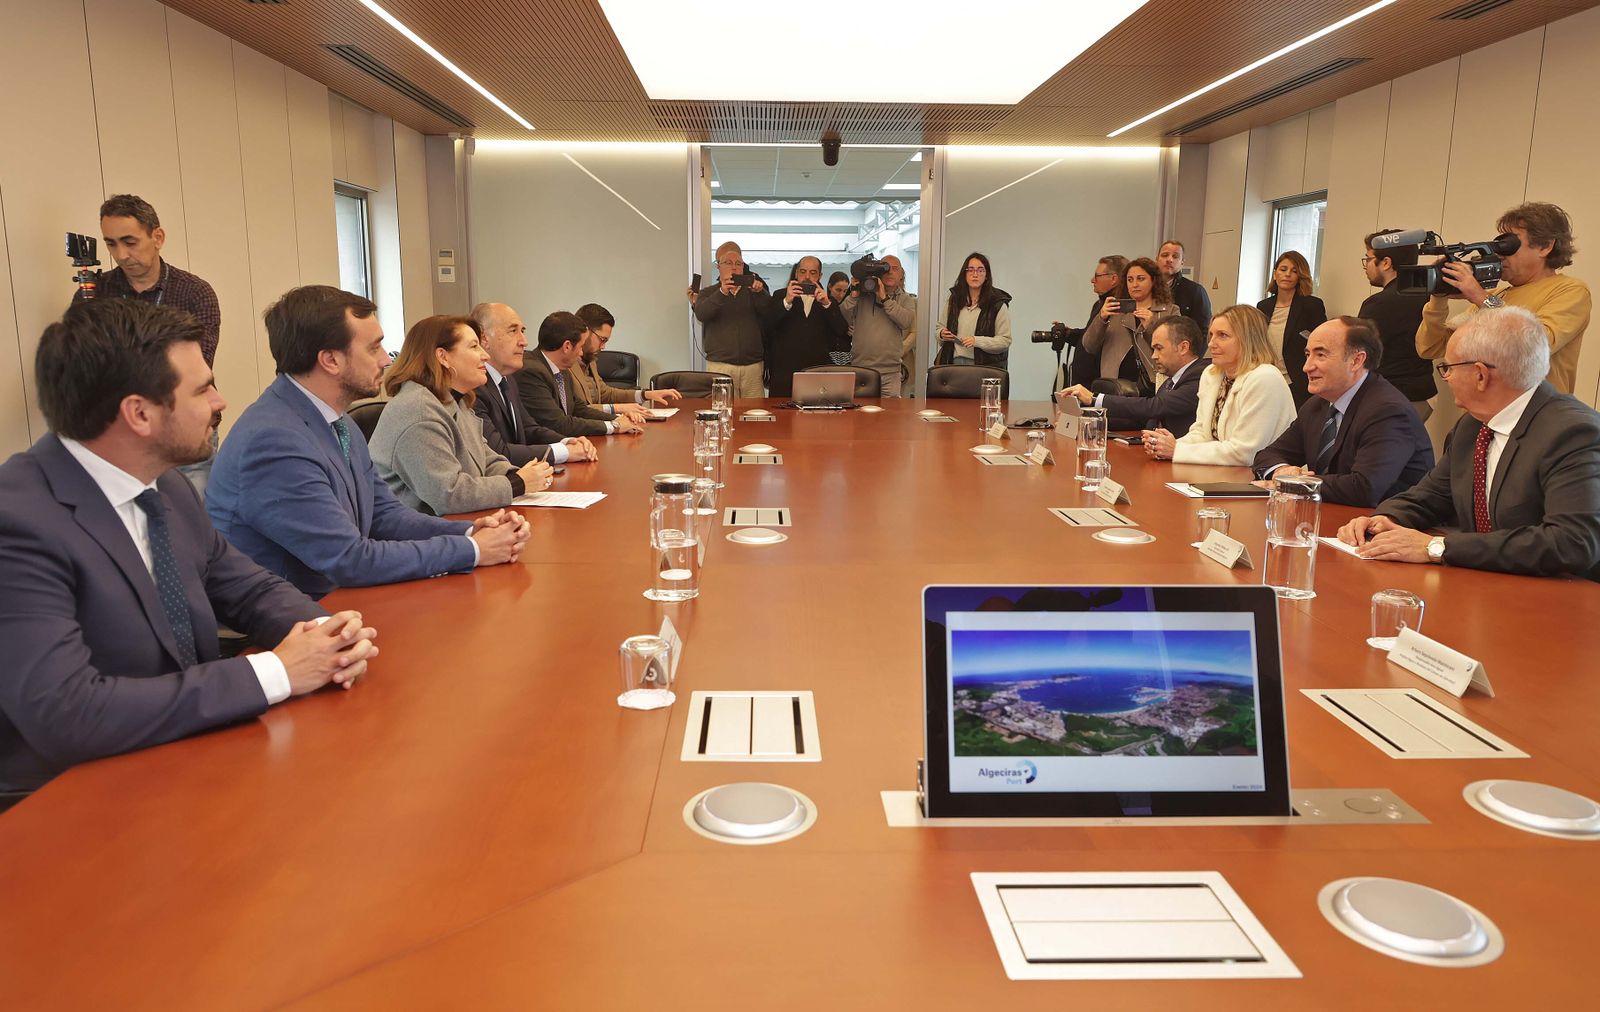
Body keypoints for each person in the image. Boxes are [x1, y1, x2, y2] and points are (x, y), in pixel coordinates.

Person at [0, 300, 378, 798]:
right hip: (68, 798)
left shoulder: (166, 485)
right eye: (202, 389)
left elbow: (249, 589)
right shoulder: (18, 522)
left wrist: (330, 637)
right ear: (139, 413)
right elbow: (68, 712)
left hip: (187, 754)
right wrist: (277, 671)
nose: (221, 401)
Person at [208, 286, 528, 600]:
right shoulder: (274, 441)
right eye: (374, 348)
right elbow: (349, 559)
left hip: (339, 598)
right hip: (295, 614)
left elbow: (384, 516)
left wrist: (471, 530)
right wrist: (471, 550)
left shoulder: (338, 421)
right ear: (331, 360)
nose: (386, 360)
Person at [1340, 306, 1600, 580]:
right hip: (1485, 582)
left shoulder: (1573, 433)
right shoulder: (1472, 425)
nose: (1446, 378)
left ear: (1480, 375)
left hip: (1560, 593)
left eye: (1447, 368)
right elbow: (1431, 496)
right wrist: (1386, 519)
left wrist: (1437, 547)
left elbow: (1572, 542)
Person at [73, 194, 223, 497]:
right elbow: (83, 365)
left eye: (130, 242)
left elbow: (194, 370)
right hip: (121, 432)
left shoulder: (195, 293)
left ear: (158, 237)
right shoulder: (94, 294)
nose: (121, 255)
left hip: (185, 425)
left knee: (193, 511)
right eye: (112, 244)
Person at [369, 316, 553, 516]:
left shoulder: (457, 401)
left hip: (454, 523)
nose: (485, 355)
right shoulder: (418, 411)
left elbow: (487, 460)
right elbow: (448, 495)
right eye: (474, 346)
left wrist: (519, 475)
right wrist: (518, 483)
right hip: (419, 531)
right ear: (443, 357)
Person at [1253, 317, 1434, 507]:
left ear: (1356, 361)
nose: (1307, 367)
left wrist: (1293, 484)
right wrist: (1282, 471)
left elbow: (1365, 488)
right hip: (1332, 515)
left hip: (1383, 520)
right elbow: (1268, 454)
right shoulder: (1317, 405)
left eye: (1320, 355)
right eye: (1307, 355)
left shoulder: (1388, 411)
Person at [1416, 202, 1591, 395]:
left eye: (1509, 244)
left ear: (1545, 246)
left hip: (1537, 410)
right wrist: (1439, 296)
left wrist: (1480, 297)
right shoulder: (1499, 296)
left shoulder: (1570, 290)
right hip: (1485, 409)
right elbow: (1430, 348)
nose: (1499, 253)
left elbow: (1537, 344)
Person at [1142, 304, 1296, 466]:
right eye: (1211, 335)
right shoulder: (1212, 374)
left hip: (1262, 475)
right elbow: (1202, 433)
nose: (1211, 343)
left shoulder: (1265, 377)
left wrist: (1177, 450)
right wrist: (1164, 446)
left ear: (1247, 339)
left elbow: (1245, 453)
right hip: (1224, 472)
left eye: (1222, 335)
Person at [470, 302, 597, 466]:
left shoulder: (508, 379)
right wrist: (564, 452)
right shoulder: (473, 388)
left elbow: (529, 429)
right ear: (484, 339)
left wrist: (567, 442)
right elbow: (498, 452)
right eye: (513, 331)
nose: (524, 341)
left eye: (522, 331)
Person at [1058, 316, 1208, 434]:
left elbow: (1153, 407)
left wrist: (1094, 399)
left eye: (1159, 348)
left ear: (1183, 348)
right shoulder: (1171, 380)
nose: (1154, 356)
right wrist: (1089, 421)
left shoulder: (1200, 377)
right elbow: (1143, 419)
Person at [519, 312, 644, 438]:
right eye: (581, 347)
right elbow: (558, 424)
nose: (581, 353)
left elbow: (579, 409)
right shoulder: (531, 371)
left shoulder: (562, 369)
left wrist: (617, 419)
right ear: (567, 347)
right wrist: (613, 426)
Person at [1359, 228, 1436, 420]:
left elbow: (1359, 352)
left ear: (1386, 263)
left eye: (1368, 259)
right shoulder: (1426, 293)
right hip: (1422, 393)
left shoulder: (1378, 303)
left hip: (1392, 397)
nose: (1366, 266)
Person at [1081, 257, 1176, 392]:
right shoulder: (1114, 309)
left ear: (1153, 280)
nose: (1134, 284)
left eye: (1140, 279)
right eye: (1130, 280)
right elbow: (1089, 346)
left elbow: (1174, 350)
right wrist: (1101, 318)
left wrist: (1151, 327)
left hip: (1153, 385)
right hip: (1116, 387)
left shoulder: (1170, 311)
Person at [572, 303, 680, 417]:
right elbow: (575, 409)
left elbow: (606, 394)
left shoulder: (590, 359)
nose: (603, 347)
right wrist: (618, 408)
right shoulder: (565, 365)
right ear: (585, 332)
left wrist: (646, 395)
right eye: (602, 339)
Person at [763, 256, 848, 398]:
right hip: (784, 372)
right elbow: (767, 325)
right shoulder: (780, 295)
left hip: (816, 371)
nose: (807, 277)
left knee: (815, 410)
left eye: (813, 273)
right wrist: (787, 302)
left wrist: (827, 304)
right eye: (803, 272)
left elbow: (841, 329)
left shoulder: (828, 300)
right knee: (780, 411)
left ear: (820, 275)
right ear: (796, 273)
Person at [692, 241, 769, 397]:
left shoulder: (754, 292)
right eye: (728, 263)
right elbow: (701, 314)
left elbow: (770, 314)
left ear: (743, 268)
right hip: (720, 365)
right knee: (722, 409)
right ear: (718, 267)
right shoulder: (708, 292)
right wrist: (722, 292)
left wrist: (760, 293)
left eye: (738, 264)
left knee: (755, 410)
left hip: (753, 366)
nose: (734, 267)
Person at [840, 254, 917, 396]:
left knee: (891, 410)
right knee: (861, 410)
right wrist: (853, 295)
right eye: (885, 268)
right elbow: (843, 318)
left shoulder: (906, 299)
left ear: (901, 275)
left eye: (895, 268)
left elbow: (905, 321)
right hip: (861, 368)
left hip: (891, 371)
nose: (890, 272)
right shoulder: (862, 296)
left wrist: (884, 298)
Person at [1257, 251, 1326, 407]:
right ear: (1275, 274)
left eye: (1294, 271)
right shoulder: (1263, 306)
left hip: (1297, 382)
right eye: (1283, 269)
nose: (1287, 274)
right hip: (1268, 378)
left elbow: (1322, 344)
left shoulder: (1311, 305)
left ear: (1300, 276)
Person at [935, 252, 1012, 370]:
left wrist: (977, 341)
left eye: (980, 270)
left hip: (985, 367)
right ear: (964, 274)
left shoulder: (997, 304)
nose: (975, 274)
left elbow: (1005, 341)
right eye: (970, 270)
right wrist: (941, 334)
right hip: (953, 363)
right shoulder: (954, 299)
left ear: (986, 275)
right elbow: (939, 328)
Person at [1156, 240, 1213, 331]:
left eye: (1175, 256)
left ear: (1182, 263)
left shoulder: (1195, 291)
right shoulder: (1147, 288)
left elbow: (1203, 330)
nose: (1169, 260)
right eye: (1165, 255)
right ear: (1157, 259)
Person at [827, 271, 854, 366]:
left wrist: (853, 332)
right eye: (838, 290)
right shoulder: (823, 305)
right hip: (827, 356)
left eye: (845, 291)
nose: (841, 295)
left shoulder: (848, 306)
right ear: (830, 287)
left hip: (847, 355)